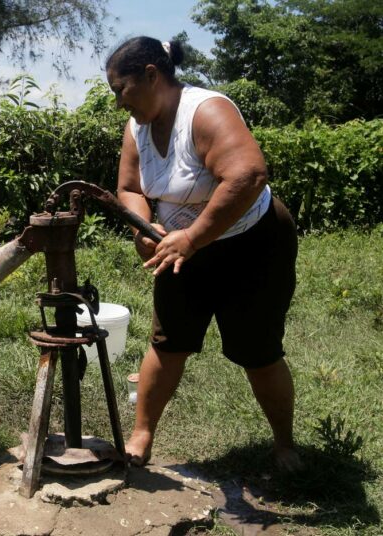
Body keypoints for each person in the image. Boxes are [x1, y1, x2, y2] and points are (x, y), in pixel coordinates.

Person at [106, 36, 303, 472]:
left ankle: (285, 444)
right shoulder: (138, 126)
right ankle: (142, 436)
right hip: (181, 249)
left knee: (258, 349)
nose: (119, 102)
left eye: (121, 89)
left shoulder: (206, 111)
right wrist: (146, 227)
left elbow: (248, 174)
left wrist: (192, 237)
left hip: (253, 244)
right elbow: (129, 188)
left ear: (152, 75)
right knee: (168, 342)